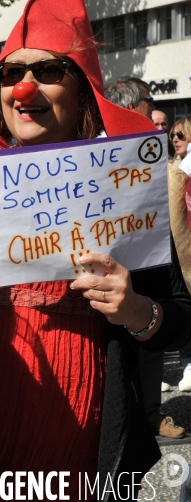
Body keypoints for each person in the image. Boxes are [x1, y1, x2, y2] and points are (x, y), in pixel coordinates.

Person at [0, 0, 191, 499]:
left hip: (83, 441)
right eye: (9, 74)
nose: (24, 89)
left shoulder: (127, 183)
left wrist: (138, 310)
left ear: (81, 91)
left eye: (47, 70)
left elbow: (181, 316)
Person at [105, 77, 185, 439]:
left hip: (142, 255)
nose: (154, 112)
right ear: (130, 105)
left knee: (150, 322)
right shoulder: (91, 152)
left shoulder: (146, 149)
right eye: (148, 102)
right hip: (101, 261)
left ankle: (151, 413)